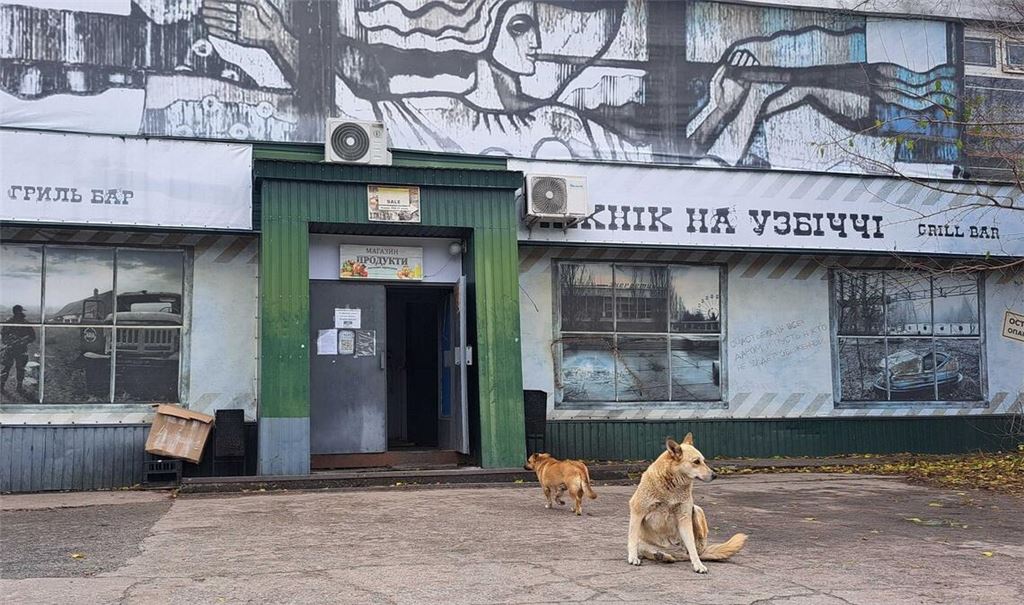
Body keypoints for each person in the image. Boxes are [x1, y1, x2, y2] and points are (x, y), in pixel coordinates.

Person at [1, 305, 36, 394]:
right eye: (20, 311)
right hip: (12, 349)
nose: (21, 313)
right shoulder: (14, 322)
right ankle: (2, 386)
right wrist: (9, 342)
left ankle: (18, 387)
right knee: (8, 368)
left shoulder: (23, 323)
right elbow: (3, 335)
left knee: (18, 368)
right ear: (18, 311)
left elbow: (32, 337)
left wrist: (23, 341)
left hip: (20, 349)